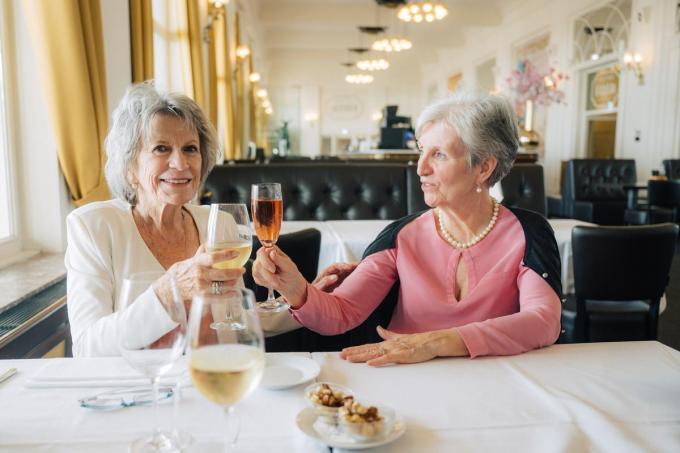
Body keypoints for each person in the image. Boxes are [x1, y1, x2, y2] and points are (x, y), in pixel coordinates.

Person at [253, 93, 562, 365]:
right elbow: (342, 313)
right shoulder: (400, 236)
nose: (420, 167)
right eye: (421, 150)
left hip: (495, 380)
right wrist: (295, 288)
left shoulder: (529, 232)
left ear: (484, 167)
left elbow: (543, 321)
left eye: (438, 154)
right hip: (408, 377)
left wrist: (439, 342)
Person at [66, 83, 303, 357]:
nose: (180, 163)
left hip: (215, 380)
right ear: (130, 167)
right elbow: (87, 348)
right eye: (161, 148)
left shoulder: (219, 222)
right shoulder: (94, 227)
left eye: (190, 148)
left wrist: (302, 300)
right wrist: (167, 294)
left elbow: (234, 323)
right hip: (141, 389)